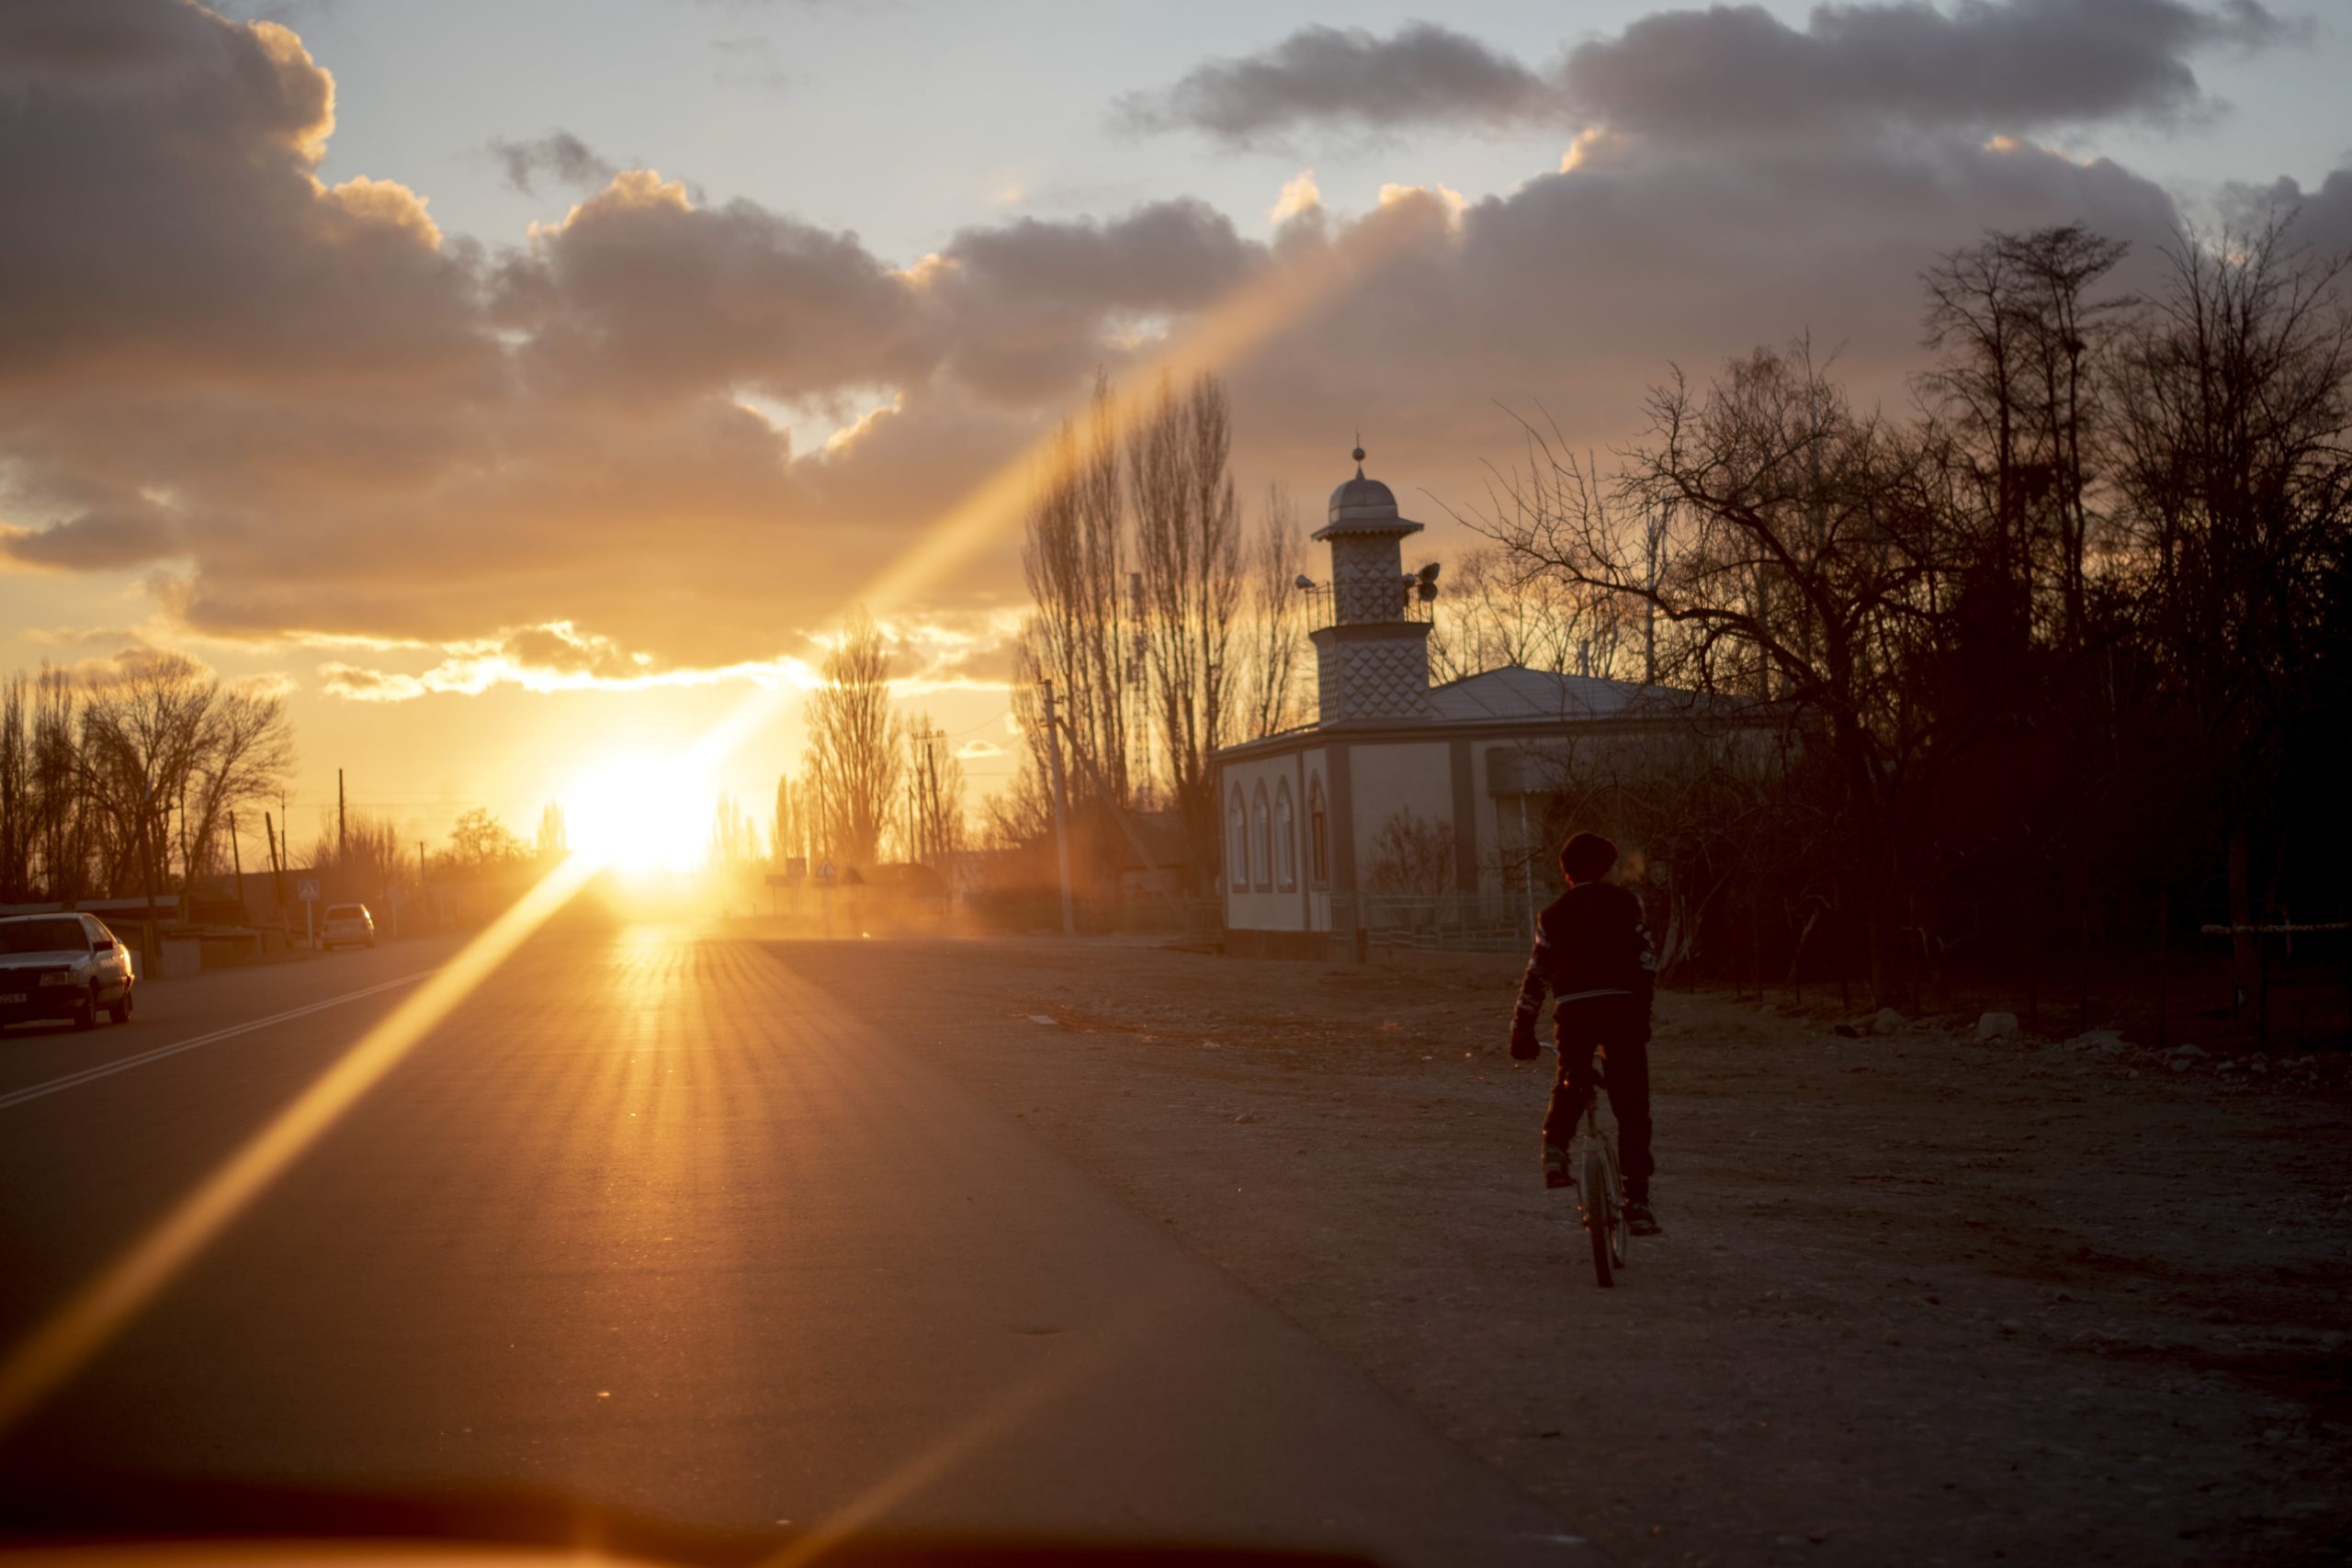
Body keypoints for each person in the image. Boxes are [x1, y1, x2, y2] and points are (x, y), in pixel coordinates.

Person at [1509, 830, 1660, 1235]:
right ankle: (1638, 1200)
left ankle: (1555, 1149)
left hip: (1574, 1011)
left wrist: (1522, 1031)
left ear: (1569, 874)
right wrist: (1641, 1010)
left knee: (1570, 1076)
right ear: (1601, 868)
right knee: (1632, 1107)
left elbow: (1536, 976)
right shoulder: (1627, 904)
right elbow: (1647, 960)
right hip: (1621, 1008)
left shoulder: (1553, 916)